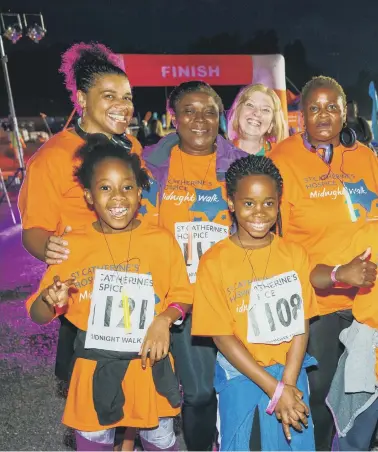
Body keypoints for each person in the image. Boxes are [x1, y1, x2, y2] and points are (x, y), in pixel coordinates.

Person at [25, 135, 193, 451]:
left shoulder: (160, 240)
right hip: (93, 370)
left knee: (160, 440)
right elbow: (38, 312)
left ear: (141, 190)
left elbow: (183, 294)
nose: (118, 197)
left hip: (148, 368)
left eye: (127, 187)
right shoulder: (72, 246)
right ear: (88, 195)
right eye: (105, 188)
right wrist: (49, 299)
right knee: (94, 442)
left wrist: (164, 319)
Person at [18, 43, 154, 387]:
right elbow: (34, 229)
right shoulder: (52, 157)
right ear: (81, 98)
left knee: (140, 389)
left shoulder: (133, 148)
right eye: (109, 96)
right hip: (86, 294)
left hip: (138, 282)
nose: (122, 107)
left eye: (127, 97)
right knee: (92, 400)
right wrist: (50, 247)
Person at [270, 75, 378, 450]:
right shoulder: (281, 160)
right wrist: (334, 274)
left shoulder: (365, 156)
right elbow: (275, 244)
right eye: (313, 107)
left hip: (368, 297)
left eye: (332, 106)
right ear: (300, 116)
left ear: (345, 112)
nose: (324, 115)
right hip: (319, 300)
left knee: (366, 389)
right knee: (321, 393)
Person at [142, 81, 247, 451]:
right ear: (173, 117)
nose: (200, 119)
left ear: (220, 118)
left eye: (209, 111)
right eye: (189, 110)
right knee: (200, 392)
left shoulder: (239, 164)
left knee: (242, 384)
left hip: (234, 294)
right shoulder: (152, 165)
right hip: (183, 297)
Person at [192, 155, 318, 451]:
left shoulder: (294, 254)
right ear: (231, 203)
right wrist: (275, 390)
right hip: (243, 374)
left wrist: (287, 384)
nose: (259, 212)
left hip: (290, 370)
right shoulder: (214, 262)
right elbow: (222, 337)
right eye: (249, 203)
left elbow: (301, 324)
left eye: (268, 203)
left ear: (278, 203)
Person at [310, 226, 378, 451]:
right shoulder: (371, 234)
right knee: (353, 439)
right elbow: (316, 275)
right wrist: (341, 273)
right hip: (369, 363)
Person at [227, 84, 287, 155]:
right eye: (250, 105)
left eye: (265, 110)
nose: (257, 113)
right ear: (238, 112)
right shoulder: (219, 154)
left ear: (272, 124)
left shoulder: (282, 157)